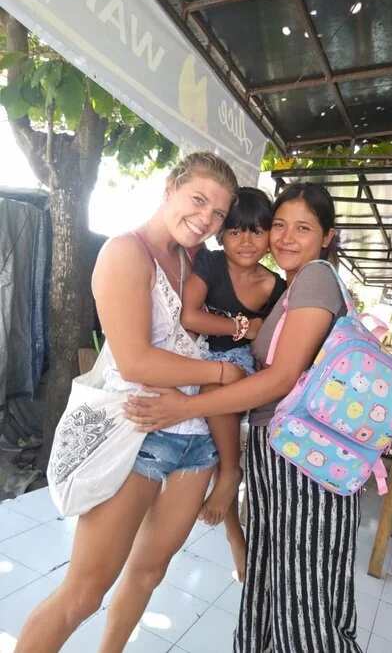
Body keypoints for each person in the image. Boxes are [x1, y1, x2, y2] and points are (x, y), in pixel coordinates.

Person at [14, 152, 245, 653]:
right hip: (136, 434)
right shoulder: (126, 252)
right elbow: (137, 361)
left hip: (196, 440)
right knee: (82, 595)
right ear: (170, 188)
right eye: (198, 199)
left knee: (148, 574)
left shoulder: (193, 261)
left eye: (218, 213)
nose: (205, 218)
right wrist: (224, 375)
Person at [125, 182, 363, 653]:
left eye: (303, 228)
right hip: (287, 452)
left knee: (305, 608)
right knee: (275, 583)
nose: (285, 237)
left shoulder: (313, 279)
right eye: (281, 225)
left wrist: (186, 407)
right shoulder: (293, 286)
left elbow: (280, 379)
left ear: (327, 236)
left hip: (306, 461)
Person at [181, 186, 286, 579]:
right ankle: (234, 533)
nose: (245, 241)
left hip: (236, 366)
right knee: (211, 437)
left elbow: (267, 342)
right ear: (221, 235)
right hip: (195, 355)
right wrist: (244, 326)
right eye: (235, 231)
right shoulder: (209, 263)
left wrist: (246, 335)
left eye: (256, 231)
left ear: (269, 236)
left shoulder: (276, 288)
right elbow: (189, 316)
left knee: (215, 385)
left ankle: (231, 473)